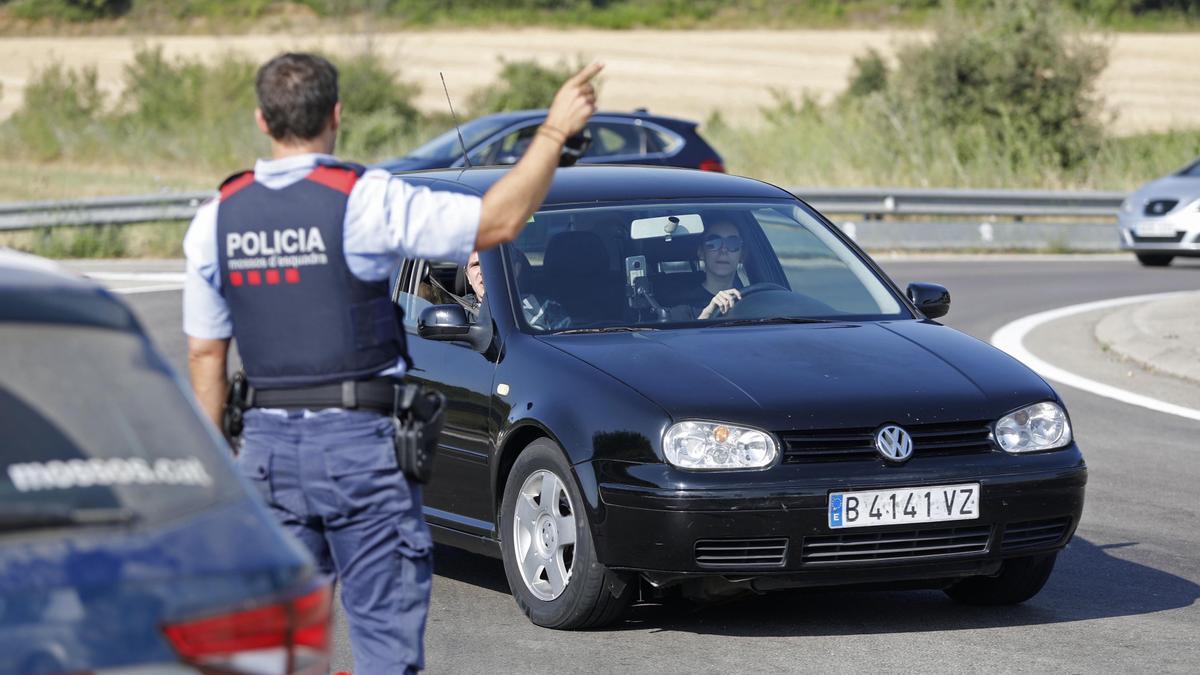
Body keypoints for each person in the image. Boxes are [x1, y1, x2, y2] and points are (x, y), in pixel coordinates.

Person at [183, 52, 601, 674]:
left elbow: (204, 355)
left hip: (266, 451)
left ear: (262, 121)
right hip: (359, 448)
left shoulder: (217, 218)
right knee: (382, 637)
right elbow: (501, 218)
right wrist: (552, 133)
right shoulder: (363, 200)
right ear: (337, 115)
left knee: (279, 646)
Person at [675, 220, 746, 319]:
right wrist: (706, 315)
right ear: (701, 252)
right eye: (713, 243)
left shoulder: (752, 302)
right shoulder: (682, 306)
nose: (723, 250)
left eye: (733, 243)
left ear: (741, 255)